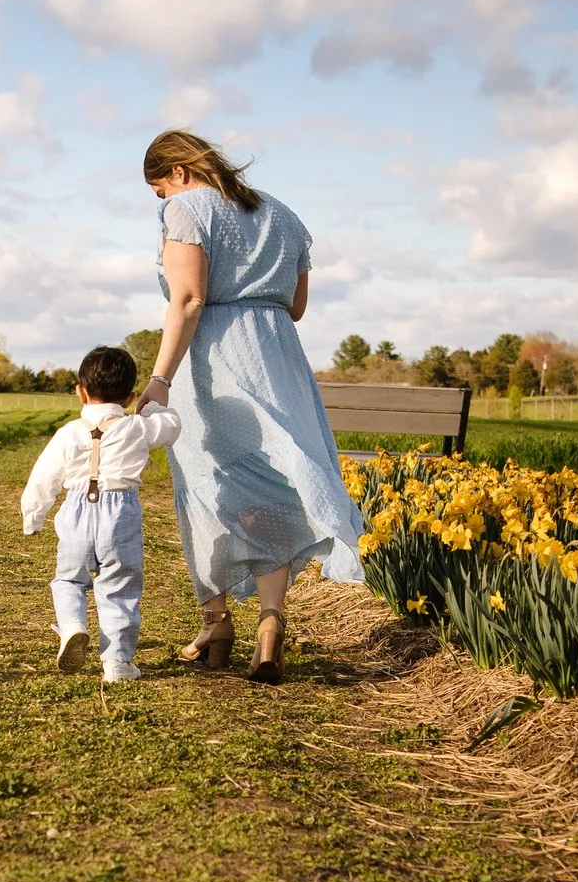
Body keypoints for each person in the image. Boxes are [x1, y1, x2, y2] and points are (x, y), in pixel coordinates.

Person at [137, 129, 365, 685]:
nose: (163, 204)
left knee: (207, 486)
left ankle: (216, 623)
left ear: (179, 174)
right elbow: (297, 305)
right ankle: (270, 624)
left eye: (159, 190)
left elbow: (187, 300)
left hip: (213, 358)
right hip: (278, 357)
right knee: (272, 489)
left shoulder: (187, 210)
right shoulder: (284, 215)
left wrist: (159, 378)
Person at [19, 344, 180, 684]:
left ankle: (73, 626)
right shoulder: (137, 427)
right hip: (120, 513)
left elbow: (44, 476)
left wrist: (33, 517)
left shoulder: (68, 433)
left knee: (68, 580)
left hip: (76, 511)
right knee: (119, 587)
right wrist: (152, 408)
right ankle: (118, 663)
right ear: (130, 396)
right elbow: (171, 426)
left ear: (80, 392)